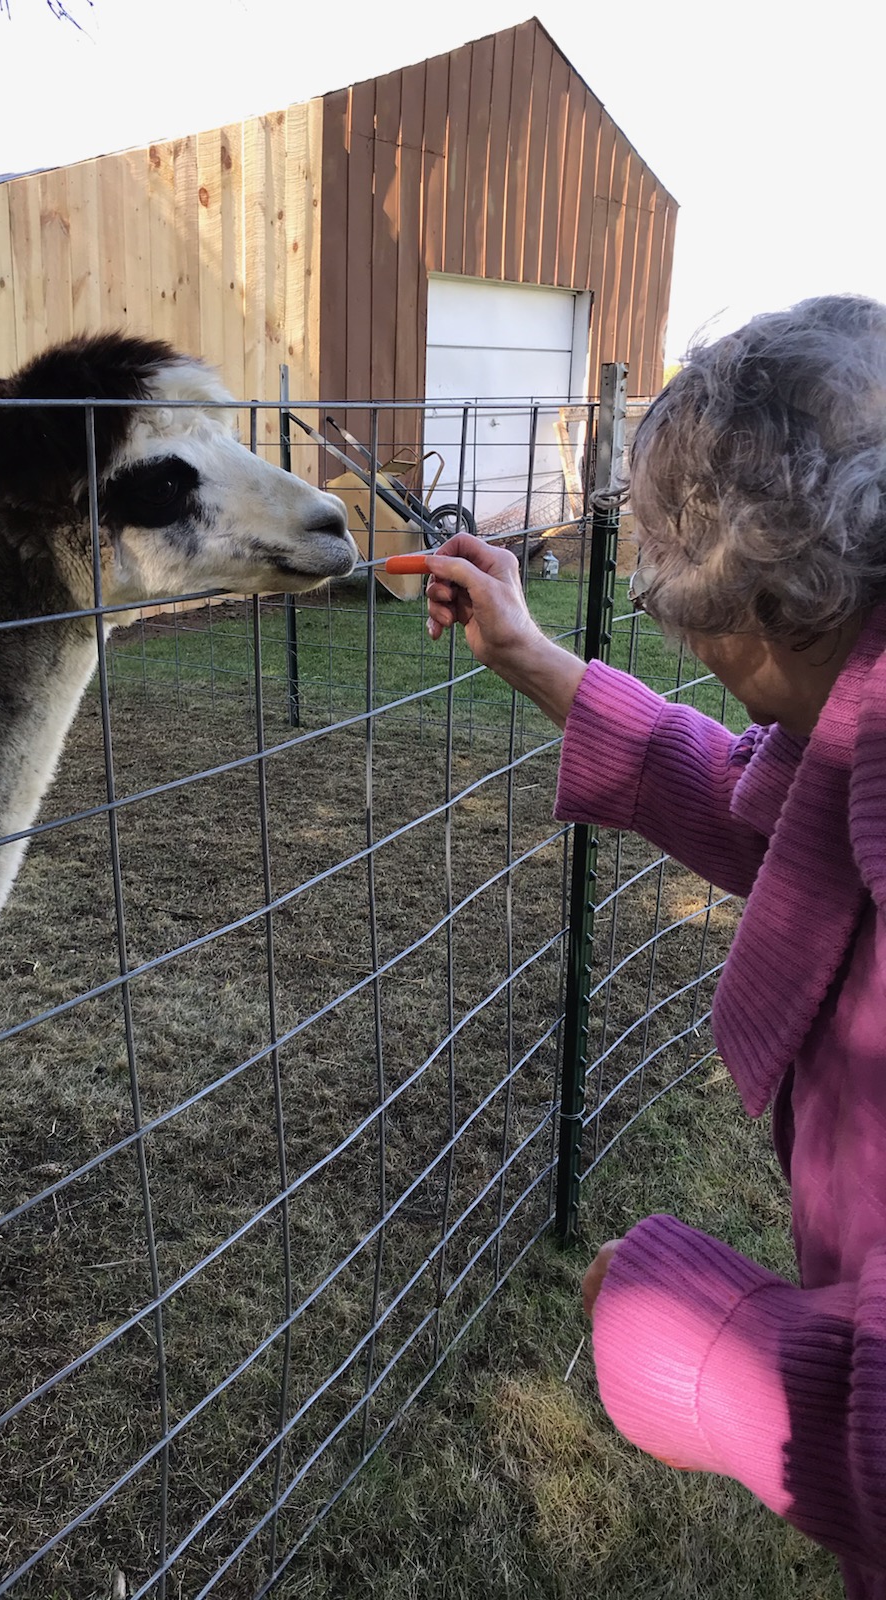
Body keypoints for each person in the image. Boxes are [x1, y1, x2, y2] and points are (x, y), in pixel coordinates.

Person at [423, 294, 886, 1598]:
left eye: (686, 601)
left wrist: (700, 1331)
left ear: (789, 601)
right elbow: (760, 801)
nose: (676, 630)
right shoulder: (860, 733)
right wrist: (526, 654)